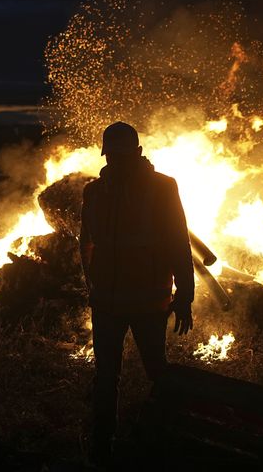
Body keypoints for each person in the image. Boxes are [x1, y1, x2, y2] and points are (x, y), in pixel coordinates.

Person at [79, 121, 195, 465]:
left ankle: (166, 438)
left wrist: (184, 295)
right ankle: (103, 447)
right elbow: (86, 242)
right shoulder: (94, 192)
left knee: (157, 371)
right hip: (108, 304)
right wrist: (93, 286)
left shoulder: (163, 188)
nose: (116, 161)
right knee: (106, 376)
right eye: (112, 155)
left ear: (138, 153)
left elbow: (178, 242)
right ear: (105, 155)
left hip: (148, 302)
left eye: (122, 155)